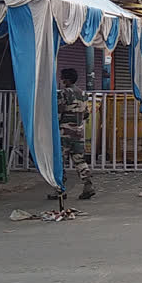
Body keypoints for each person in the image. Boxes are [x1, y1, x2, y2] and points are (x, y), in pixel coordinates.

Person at [48, 68, 96, 200]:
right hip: (78, 132)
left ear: (67, 79)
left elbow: (58, 111)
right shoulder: (83, 94)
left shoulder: (63, 93)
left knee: (59, 161)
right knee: (79, 160)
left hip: (64, 132)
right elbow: (86, 113)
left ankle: (60, 190)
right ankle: (88, 185)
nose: (61, 80)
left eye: (62, 78)